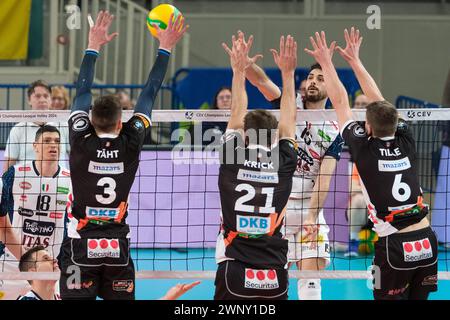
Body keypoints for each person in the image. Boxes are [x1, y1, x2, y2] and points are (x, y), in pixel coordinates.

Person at [58, 11, 188, 300]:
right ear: (121, 122)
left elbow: (82, 89)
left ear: (90, 120)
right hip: (116, 247)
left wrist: (93, 45)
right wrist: (165, 48)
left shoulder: (80, 137)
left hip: (80, 247)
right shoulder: (131, 141)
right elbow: (150, 92)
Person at [304, 27, 438, 300]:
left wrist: (329, 63)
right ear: (395, 123)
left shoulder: (363, 150)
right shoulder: (407, 139)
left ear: (368, 126)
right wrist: (355, 60)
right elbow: (381, 102)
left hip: (395, 246)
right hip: (427, 239)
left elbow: (340, 100)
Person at [243, 30, 343, 300]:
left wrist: (313, 215)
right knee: (272, 281)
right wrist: (244, 62)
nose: (313, 82)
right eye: (310, 77)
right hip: (279, 205)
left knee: (310, 283)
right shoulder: (290, 104)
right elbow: (261, 82)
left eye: (320, 79)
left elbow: (325, 176)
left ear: (330, 87)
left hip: (310, 207)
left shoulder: (336, 126)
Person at [215, 32, 298, 300]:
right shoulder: (284, 161)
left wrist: (238, 71)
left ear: (246, 136)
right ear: (273, 137)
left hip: (233, 267)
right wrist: (288, 73)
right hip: (273, 268)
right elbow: (289, 120)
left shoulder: (231, 156)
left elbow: (237, 114)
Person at [0, 125, 70, 300]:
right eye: (47, 141)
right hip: (12, 259)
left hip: (48, 265)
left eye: (57, 141)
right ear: (35, 145)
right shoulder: (16, 174)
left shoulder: (71, 180)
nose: (53, 145)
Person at [17, 246, 199, 300]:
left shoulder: (66, 292)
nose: (54, 261)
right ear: (32, 271)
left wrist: (168, 298)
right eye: (46, 259)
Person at [3, 80, 70, 173]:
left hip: (58, 184)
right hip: (26, 183)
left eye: (46, 96)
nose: (42, 100)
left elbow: (76, 157)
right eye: (37, 96)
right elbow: (8, 165)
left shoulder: (64, 125)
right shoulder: (18, 129)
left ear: (50, 100)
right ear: (29, 100)